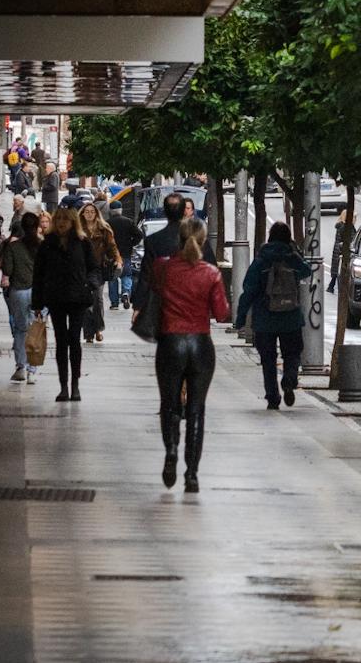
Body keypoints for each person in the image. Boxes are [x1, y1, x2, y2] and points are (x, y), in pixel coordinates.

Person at [154, 218, 230, 492]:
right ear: (202, 241)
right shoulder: (210, 273)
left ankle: (171, 450)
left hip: (171, 343)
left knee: (169, 404)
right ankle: (192, 474)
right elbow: (222, 313)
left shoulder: (163, 268)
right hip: (200, 344)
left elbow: (156, 296)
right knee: (197, 409)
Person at [235, 222, 313, 410]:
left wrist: (241, 317)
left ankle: (272, 397)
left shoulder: (262, 259)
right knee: (292, 353)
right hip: (290, 317)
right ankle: (289, 379)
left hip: (265, 319)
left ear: (270, 237)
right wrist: (296, 252)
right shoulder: (292, 258)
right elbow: (307, 271)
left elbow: (249, 289)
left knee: (268, 360)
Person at [32, 206, 98, 402]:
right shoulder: (47, 245)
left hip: (78, 298)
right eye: (58, 218)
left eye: (65, 219)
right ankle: (63, 386)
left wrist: (91, 284)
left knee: (74, 340)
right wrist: (37, 302)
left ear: (72, 222)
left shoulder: (82, 242)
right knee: (61, 341)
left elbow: (94, 267)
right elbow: (39, 274)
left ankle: (75, 385)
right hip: (56, 298)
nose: (61, 222)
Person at [131, 192, 216, 313]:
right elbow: (211, 268)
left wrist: (138, 307)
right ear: (183, 212)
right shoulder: (197, 238)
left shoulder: (153, 241)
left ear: (165, 211)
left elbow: (146, 276)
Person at [2, 212, 41, 384]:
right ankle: (33, 371)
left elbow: (8, 270)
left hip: (19, 291)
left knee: (20, 329)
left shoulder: (13, 247)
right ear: (37, 226)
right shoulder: (43, 246)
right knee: (36, 331)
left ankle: (21, 367)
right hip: (40, 292)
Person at [79, 203, 121, 342]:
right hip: (82, 269)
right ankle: (88, 334)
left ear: (97, 213)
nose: (90, 214)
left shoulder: (104, 229)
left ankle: (98, 329)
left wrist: (117, 260)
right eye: (87, 212)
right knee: (85, 302)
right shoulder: (77, 230)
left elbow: (112, 247)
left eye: (92, 211)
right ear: (83, 214)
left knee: (97, 299)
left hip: (98, 268)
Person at [107, 200, 143, 309]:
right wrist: (131, 244)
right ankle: (126, 292)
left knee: (113, 278)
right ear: (121, 210)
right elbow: (139, 235)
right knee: (126, 275)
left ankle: (114, 303)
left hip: (111, 254)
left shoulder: (107, 223)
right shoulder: (128, 222)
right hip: (126, 253)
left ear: (111, 211)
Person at [327, 209, 352, 294]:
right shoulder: (345, 227)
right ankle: (339, 289)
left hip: (337, 250)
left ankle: (331, 286)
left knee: (336, 270)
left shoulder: (340, 226)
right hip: (341, 251)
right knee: (341, 271)